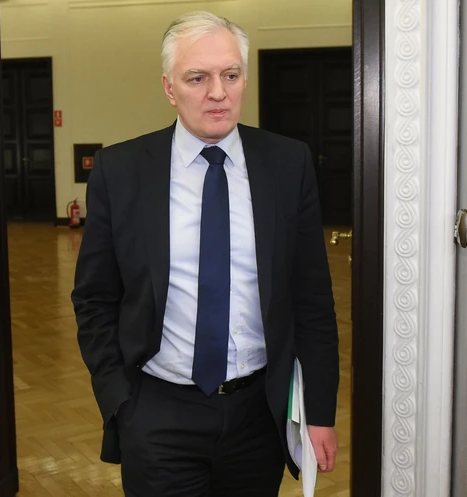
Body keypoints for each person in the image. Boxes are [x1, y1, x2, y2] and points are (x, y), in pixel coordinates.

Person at [71, 10, 339, 496]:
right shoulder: (121, 170)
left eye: (230, 75)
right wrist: (119, 400)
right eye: (198, 78)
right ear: (170, 88)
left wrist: (319, 411)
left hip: (259, 414)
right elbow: (94, 297)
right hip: (158, 413)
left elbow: (312, 300)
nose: (218, 92)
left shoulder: (287, 163)